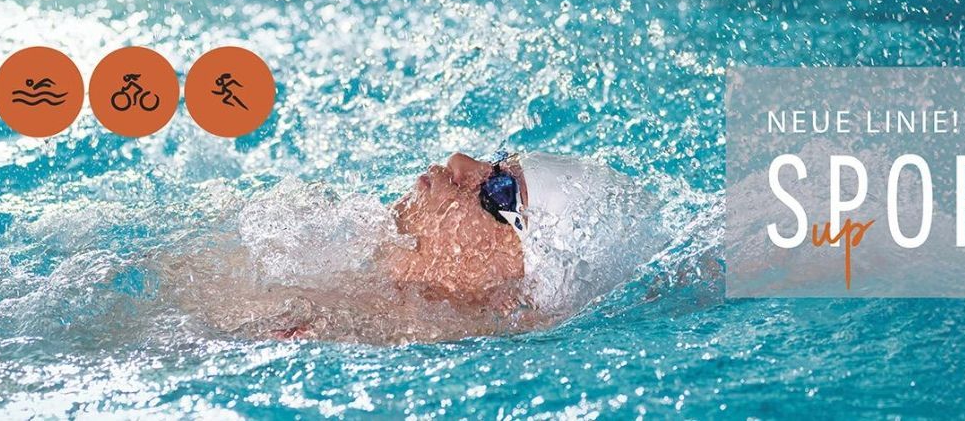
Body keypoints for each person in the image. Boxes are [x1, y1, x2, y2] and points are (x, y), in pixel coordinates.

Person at [161, 151, 668, 343]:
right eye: (496, 160)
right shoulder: (315, 253)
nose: (459, 163)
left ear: (513, 289)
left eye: (497, 190)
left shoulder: (345, 337)